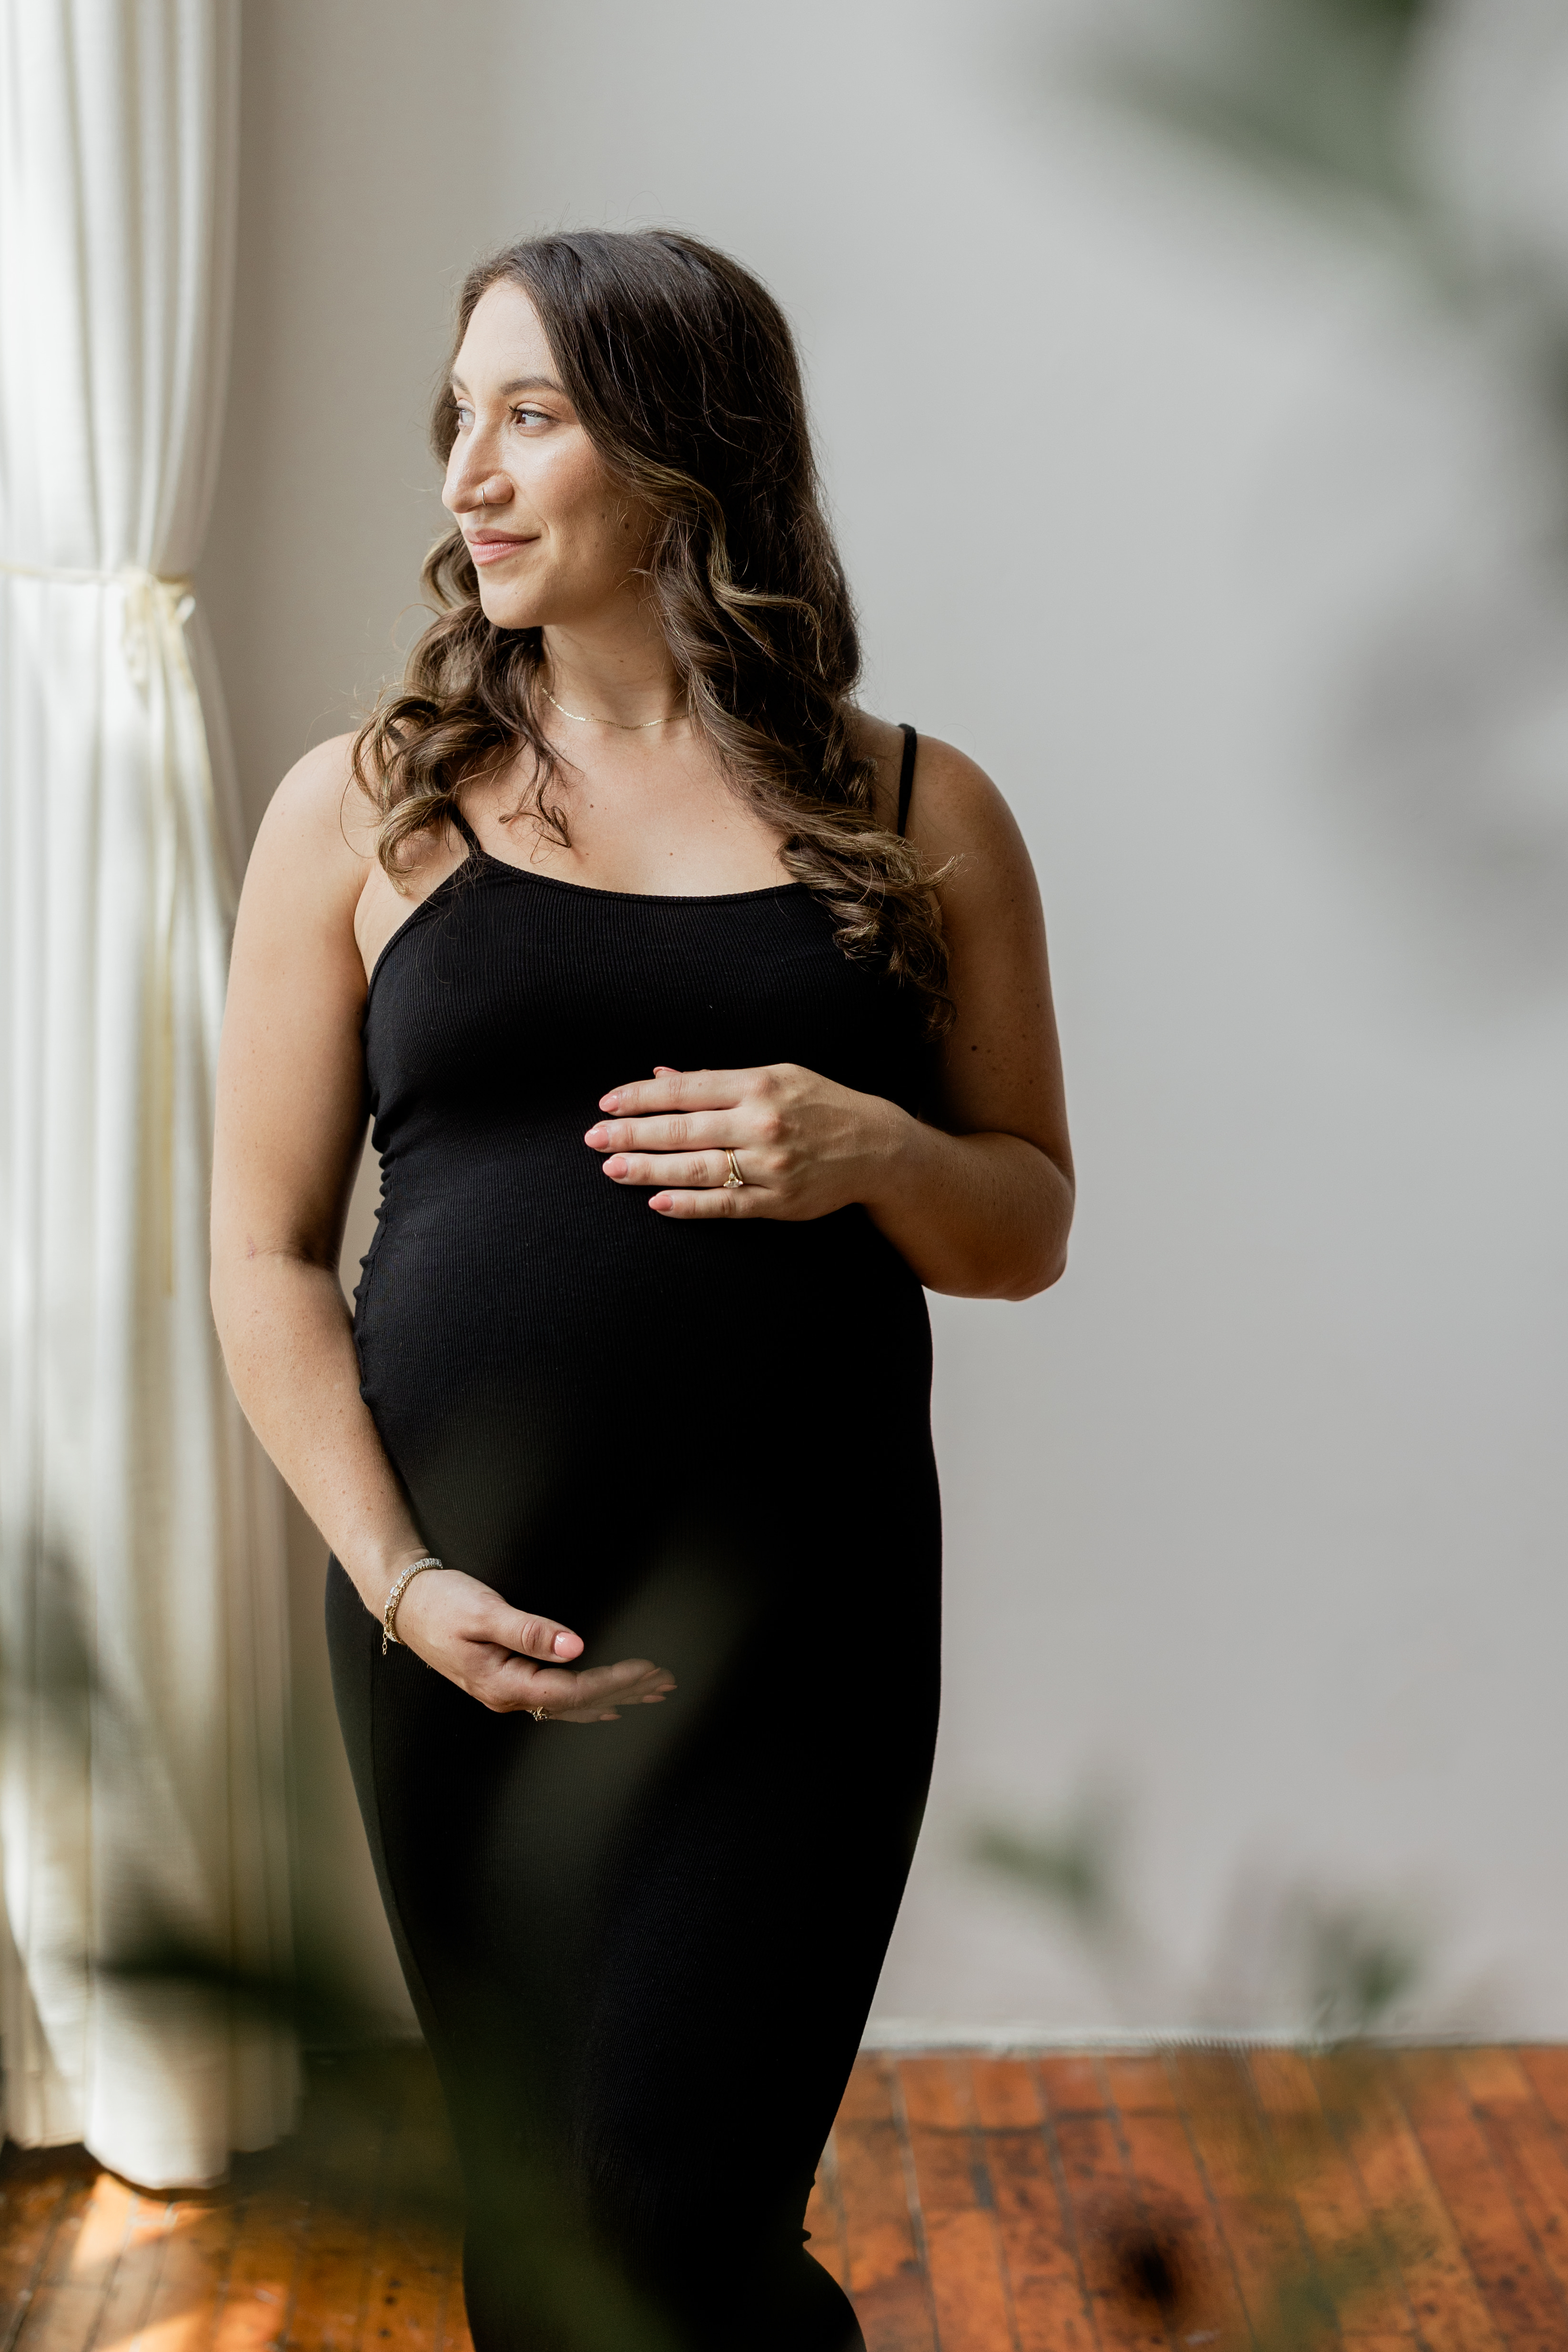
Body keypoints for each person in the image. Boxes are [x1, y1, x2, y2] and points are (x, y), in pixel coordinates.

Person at [211, 229, 1073, 2352]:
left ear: (686, 451)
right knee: (543, 2243)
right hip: (459, 1630)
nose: (467, 477)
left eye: (531, 416)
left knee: (673, 2220)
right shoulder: (362, 809)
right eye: (457, 418)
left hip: (795, 1627)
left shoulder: (918, 809)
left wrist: (873, 1149)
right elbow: (260, 1250)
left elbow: (1023, 1227)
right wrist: (402, 1581)